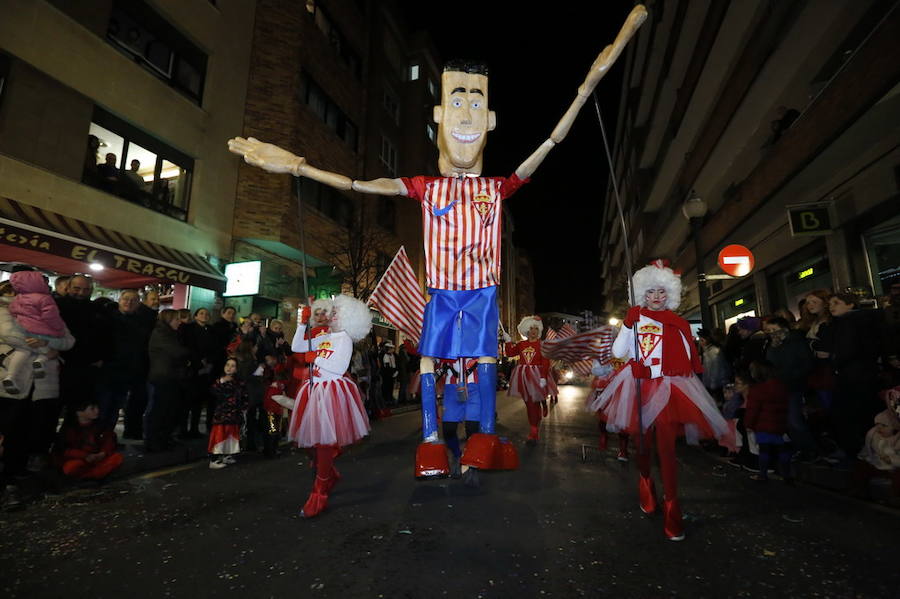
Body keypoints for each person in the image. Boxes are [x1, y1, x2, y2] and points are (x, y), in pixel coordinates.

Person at [227, 6, 647, 478]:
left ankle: (485, 434)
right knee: (430, 358)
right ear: (438, 115)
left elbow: (549, 145)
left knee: (485, 357)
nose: (465, 114)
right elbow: (356, 183)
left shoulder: (496, 187)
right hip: (442, 290)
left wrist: (587, 88)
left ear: (489, 119)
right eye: (456, 101)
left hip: (484, 290)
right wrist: (298, 166)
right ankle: (431, 439)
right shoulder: (425, 186)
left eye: (475, 103)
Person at [590, 260, 735, 541]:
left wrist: (660, 369)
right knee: (642, 446)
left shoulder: (679, 323)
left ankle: (672, 506)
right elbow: (620, 351)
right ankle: (646, 482)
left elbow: (685, 359)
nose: (656, 297)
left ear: (669, 294)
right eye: (651, 292)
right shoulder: (634, 318)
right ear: (643, 295)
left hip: (670, 388)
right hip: (638, 387)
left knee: (667, 449)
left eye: (661, 292)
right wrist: (628, 325)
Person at [288, 294, 372, 518]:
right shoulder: (324, 335)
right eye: (332, 312)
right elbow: (297, 347)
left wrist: (313, 356)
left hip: (331, 392)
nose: (331, 316)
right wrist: (303, 323)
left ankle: (320, 492)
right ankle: (329, 474)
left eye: (336, 313)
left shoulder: (344, 338)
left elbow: (338, 366)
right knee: (308, 444)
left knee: (323, 443)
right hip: (314, 390)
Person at [94, 290, 153, 438]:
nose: (129, 302)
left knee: (115, 406)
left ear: (139, 304)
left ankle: (107, 439)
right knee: (103, 406)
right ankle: (94, 438)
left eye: (133, 300)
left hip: (129, 371)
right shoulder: (107, 319)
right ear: (119, 300)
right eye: (126, 299)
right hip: (108, 370)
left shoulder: (141, 322)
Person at [2, 270, 68, 395]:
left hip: (24, 329)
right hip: (42, 329)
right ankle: (41, 361)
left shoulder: (18, 300)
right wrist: (58, 328)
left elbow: (13, 311)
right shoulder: (45, 299)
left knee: (22, 351)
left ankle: (10, 376)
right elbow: (51, 316)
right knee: (45, 348)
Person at [762, 316, 815, 458]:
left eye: (775, 329)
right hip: (779, 388)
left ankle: (810, 449)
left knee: (794, 419)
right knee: (787, 420)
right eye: (769, 330)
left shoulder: (796, 342)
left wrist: (790, 375)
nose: (772, 333)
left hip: (794, 386)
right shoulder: (771, 345)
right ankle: (800, 448)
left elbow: (806, 364)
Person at [145, 309, 191, 452]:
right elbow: (178, 352)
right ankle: (154, 441)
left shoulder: (171, 333)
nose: (179, 322)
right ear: (168, 319)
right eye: (176, 319)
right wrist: (188, 357)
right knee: (160, 410)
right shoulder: (161, 333)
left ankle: (164, 438)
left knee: (170, 410)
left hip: (171, 376)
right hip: (163, 377)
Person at [741, 363, 793, 482]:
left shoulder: (758, 390)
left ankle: (763, 475)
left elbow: (752, 410)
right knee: (782, 449)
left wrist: (748, 424)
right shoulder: (782, 387)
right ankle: (786, 475)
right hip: (779, 423)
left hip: (763, 424)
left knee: (764, 450)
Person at [506, 316, 551, 445]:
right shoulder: (521, 344)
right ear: (526, 330)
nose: (533, 331)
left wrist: (543, 376)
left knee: (533, 402)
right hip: (524, 376)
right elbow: (510, 353)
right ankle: (536, 419)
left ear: (539, 331)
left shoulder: (542, 345)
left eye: (536, 328)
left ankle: (533, 429)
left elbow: (545, 362)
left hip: (537, 375)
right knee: (529, 402)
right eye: (531, 328)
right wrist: (508, 342)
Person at [56, 399, 123, 481]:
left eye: (97, 408)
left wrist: (103, 453)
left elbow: (109, 439)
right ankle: (95, 475)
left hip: (98, 458)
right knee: (70, 467)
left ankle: (91, 475)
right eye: (92, 409)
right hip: (81, 459)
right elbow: (64, 450)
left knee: (117, 458)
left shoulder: (100, 425)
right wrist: (85, 456)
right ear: (79, 412)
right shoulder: (70, 428)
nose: (97, 411)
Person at [208, 358, 248, 469]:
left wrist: (244, 408)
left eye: (232, 366)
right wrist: (222, 382)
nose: (229, 368)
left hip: (234, 414)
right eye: (227, 365)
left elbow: (244, 396)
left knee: (230, 435)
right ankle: (214, 459)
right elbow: (214, 393)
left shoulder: (239, 382)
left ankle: (226, 455)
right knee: (219, 435)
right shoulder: (220, 381)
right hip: (222, 414)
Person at [380, 341, 397, 406]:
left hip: (392, 372)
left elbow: (394, 364)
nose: (393, 349)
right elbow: (387, 366)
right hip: (387, 374)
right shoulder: (386, 356)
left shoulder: (392, 355)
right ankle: (387, 400)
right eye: (391, 348)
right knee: (387, 387)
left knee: (391, 387)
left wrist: (396, 371)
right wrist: (392, 373)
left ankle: (390, 399)